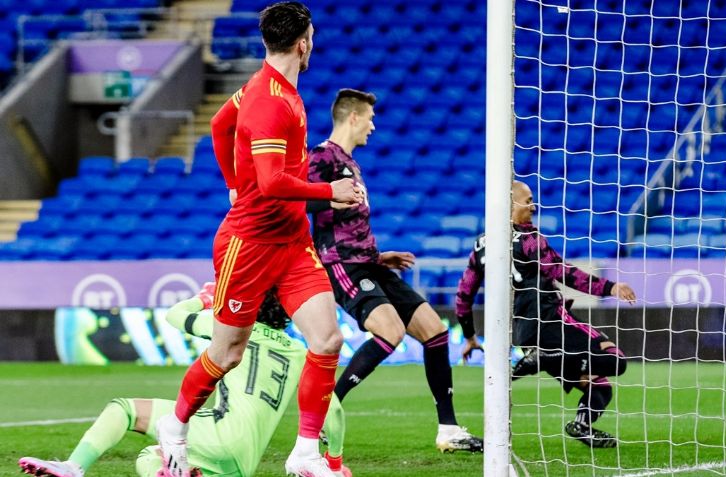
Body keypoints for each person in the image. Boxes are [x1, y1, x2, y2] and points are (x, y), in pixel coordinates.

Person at [157, 4, 364, 477]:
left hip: (291, 241)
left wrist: (232, 180)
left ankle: (306, 454)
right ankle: (175, 427)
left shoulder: (267, 86)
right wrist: (328, 192)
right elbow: (271, 183)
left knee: (327, 339)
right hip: (247, 246)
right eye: (312, 36)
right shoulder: (270, 101)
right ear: (303, 44)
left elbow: (218, 126)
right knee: (226, 353)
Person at [307, 88, 483, 454]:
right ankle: (326, 409)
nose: (373, 126)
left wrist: (380, 255)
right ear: (353, 117)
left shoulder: (351, 163)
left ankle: (448, 430)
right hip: (344, 267)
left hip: (370, 263)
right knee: (390, 331)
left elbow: (349, 223)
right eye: (370, 118)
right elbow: (296, 198)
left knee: (435, 332)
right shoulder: (323, 157)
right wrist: (326, 193)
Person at [18, 284, 351, 477]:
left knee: (124, 409)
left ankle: (74, 467)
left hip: (218, 430)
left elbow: (174, 315)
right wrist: (334, 463)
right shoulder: (298, 351)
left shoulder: (233, 329)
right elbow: (331, 410)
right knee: (151, 456)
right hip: (244, 462)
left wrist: (205, 297)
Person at [454, 181, 638, 448]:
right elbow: (563, 272)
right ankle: (545, 358)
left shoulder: (481, 245)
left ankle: (582, 425)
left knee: (599, 385)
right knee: (615, 359)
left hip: (525, 334)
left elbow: (463, 296)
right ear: (508, 204)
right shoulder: (529, 240)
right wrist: (610, 287)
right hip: (550, 321)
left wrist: (470, 337)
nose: (533, 206)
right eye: (527, 200)